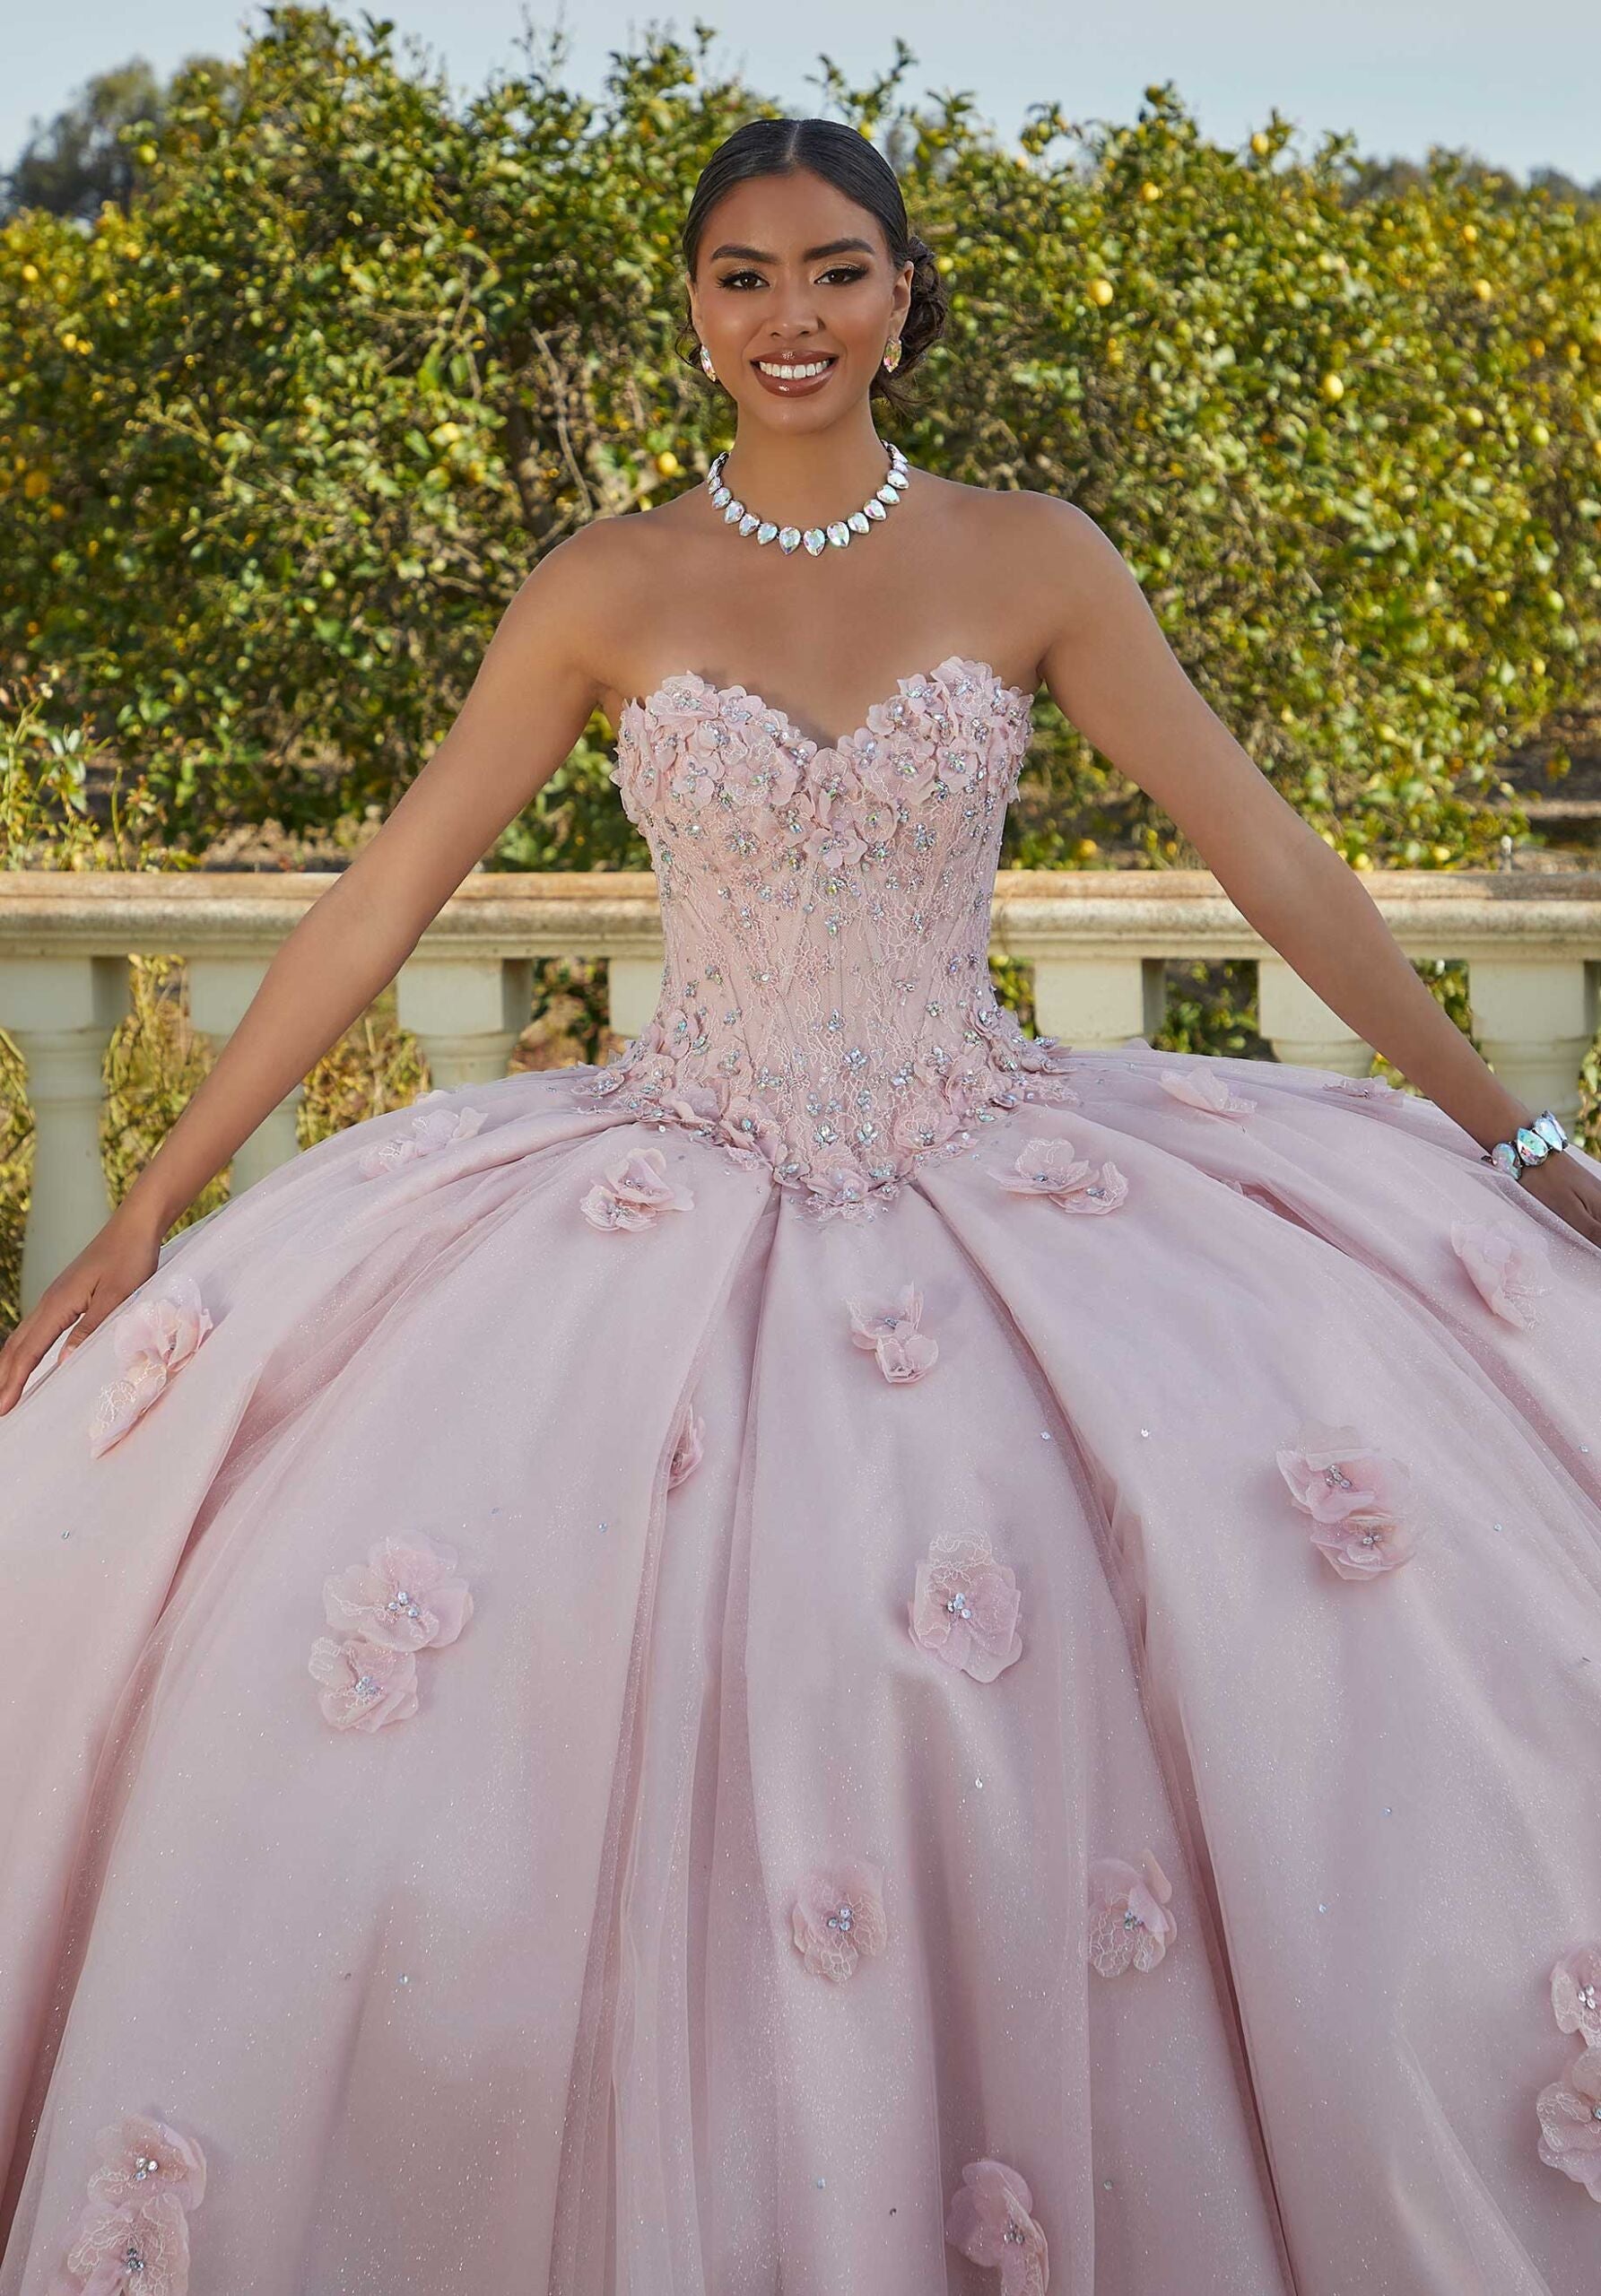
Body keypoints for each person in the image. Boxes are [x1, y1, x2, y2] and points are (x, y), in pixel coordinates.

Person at [1, 112, 1598, 2296]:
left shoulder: (1031, 553)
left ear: (901, 294)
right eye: (742, 277)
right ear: (689, 307)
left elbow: (1270, 858)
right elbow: (384, 896)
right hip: (675, 1188)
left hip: (993, 1165)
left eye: (834, 271)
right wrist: (152, 1200)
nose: (790, 320)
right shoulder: (605, 583)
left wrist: (1510, 1140)